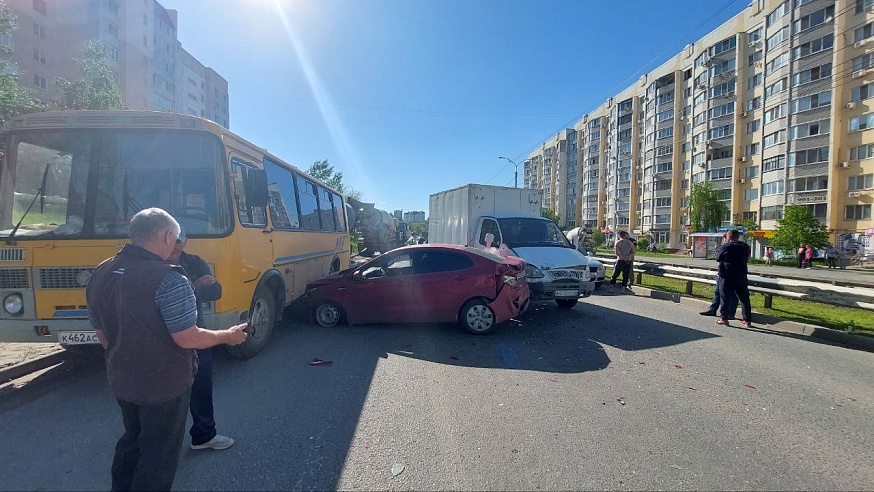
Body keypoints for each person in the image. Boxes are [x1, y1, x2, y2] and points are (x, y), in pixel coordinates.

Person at [86, 208, 248, 492]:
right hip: (163, 384)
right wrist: (228, 336)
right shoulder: (169, 277)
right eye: (173, 238)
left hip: (122, 379)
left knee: (132, 439)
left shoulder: (102, 270)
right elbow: (188, 337)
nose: (175, 245)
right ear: (165, 235)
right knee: (158, 454)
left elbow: (102, 333)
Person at [166, 227, 234, 451]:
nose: (176, 245)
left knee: (201, 385)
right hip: (163, 339)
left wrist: (195, 290)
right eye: (172, 240)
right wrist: (194, 287)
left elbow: (216, 291)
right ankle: (163, 444)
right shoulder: (154, 266)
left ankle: (204, 435)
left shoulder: (194, 261)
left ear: (186, 241)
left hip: (197, 333)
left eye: (180, 240)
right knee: (167, 393)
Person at [715, 229, 753, 328]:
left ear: (729, 237)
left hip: (726, 275)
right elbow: (747, 259)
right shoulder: (745, 246)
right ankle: (747, 320)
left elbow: (718, 258)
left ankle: (724, 318)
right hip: (741, 275)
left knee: (725, 297)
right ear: (737, 236)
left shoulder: (725, 246)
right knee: (744, 298)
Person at [700, 233, 738, 318]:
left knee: (731, 294)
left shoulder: (728, 247)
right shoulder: (741, 247)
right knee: (718, 292)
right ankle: (713, 309)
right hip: (723, 273)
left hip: (729, 274)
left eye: (726, 238)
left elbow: (718, 257)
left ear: (728, 238)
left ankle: (730, 313)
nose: (725, 240)